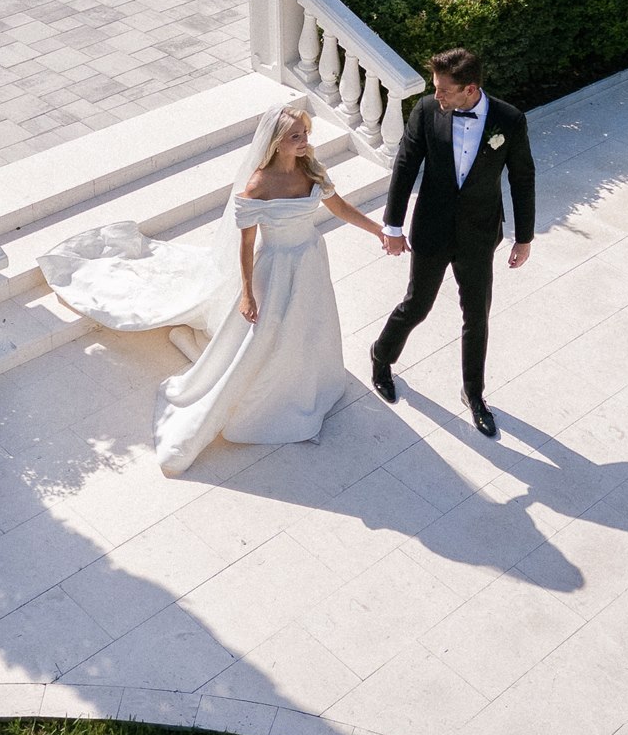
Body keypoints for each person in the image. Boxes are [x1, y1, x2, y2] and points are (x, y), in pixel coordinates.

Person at [40, 106, 386, 476]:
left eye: (305, 133)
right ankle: (264, 397)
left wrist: (379, 230)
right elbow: (246, 244)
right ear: (276, 142)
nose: (304, 142)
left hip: (311, 259)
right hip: (276, 266)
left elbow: (340, 207)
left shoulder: (312, 170)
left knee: (309, 321)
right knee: (265, 334)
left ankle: (306, 381)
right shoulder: (257, 185)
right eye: (295, 136)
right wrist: (248, 294)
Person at [370, 46, 535, 437]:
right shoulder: (427, 111)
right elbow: (406, 164)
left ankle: (474, 394)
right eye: (435, 87)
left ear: (470, 89)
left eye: (444, 89)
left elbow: (522, 178)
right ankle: (381, 356)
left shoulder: (508, 120)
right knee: (417, 305)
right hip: (432, 229)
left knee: (476, 315)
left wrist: (524, 238)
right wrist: (392, 226)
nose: (436, 95)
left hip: (480, 233)